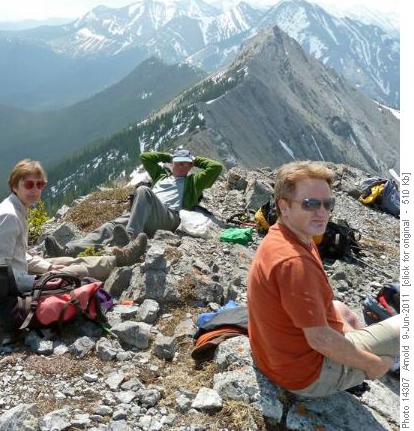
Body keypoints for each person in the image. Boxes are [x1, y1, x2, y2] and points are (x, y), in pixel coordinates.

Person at [247, 161, 400, 397]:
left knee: (339, 308)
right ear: (283, 207)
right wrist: (372, 364)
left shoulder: (287, 236)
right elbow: (320, 339)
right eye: (310, 204)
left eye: (328, 204)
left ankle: (382, 357)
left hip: (277, 356)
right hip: (306, 375)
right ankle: (386, 363)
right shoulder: (294, 262)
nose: (322, 212)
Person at [0, 159, 147, 313]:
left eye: (40, 184)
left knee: (62, 262)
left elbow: (14, 256)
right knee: (75, 271)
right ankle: (117, 261)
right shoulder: (9, 217)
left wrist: (47, 268)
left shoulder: (14, 208)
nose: (35, 189)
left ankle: (116, 259)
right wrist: (40, 281)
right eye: (29, 184)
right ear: (14, 186)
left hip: (9, 278)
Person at [44, 149, 223, 258]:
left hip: (168, 217)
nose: (181, 166)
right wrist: (170, 156)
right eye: (178, 163)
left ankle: (130, 242)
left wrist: (195, 159)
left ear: (191, 166)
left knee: (143, 190)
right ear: (173, 163)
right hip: (143, 216)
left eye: (186, 164)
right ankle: (67, 251)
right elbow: (145, 157)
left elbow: (216, 167)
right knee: (109, 227)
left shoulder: (193, 182)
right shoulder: (161, 175)